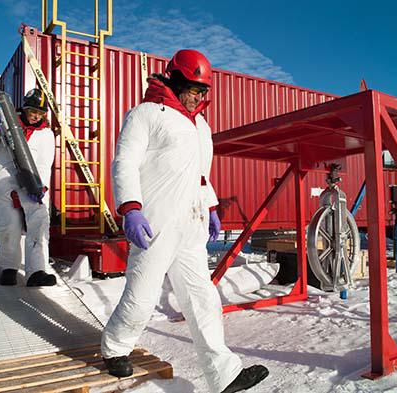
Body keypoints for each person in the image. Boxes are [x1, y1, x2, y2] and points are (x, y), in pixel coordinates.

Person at [101, 50, 269, 392]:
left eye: (202, 90)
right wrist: (131, 208)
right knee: (142, 297)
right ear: (175, 80)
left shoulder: (201, 125)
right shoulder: (145, 114)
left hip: (190, 226)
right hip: (155, 225)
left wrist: (209, 207)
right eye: (192, 88)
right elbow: (125, 163)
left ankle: (223, 374)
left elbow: (201, 174)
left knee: (203, 299)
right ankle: (115, 347)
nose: (197, 96)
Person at [0, 88, 57, 287]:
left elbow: (44, 164)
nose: (36, 116)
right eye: (33, 111)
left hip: (30, 184)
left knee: (40, 222)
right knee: (8, 227)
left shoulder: (46, 135)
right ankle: (9, 268)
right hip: (2, 183)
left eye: (40, 113)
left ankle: (37, 271)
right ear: (24, 108)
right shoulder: (7, 123)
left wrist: (42, 188)